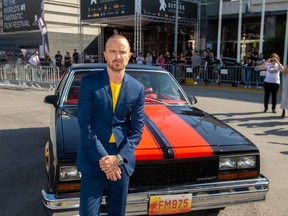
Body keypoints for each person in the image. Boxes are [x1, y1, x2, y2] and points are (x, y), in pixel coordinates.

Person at [76, 34, 145, 216]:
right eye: (113, 51)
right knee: (88, 213)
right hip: (93, 156)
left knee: (117, 212)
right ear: (105, 55)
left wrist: (119, 159)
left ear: (129, 55)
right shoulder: (89, 83)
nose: (117, 56)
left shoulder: (137, 88)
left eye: (122, 52)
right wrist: (105, 159)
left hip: (121, 157)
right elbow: (85, 124)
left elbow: (137, 130)